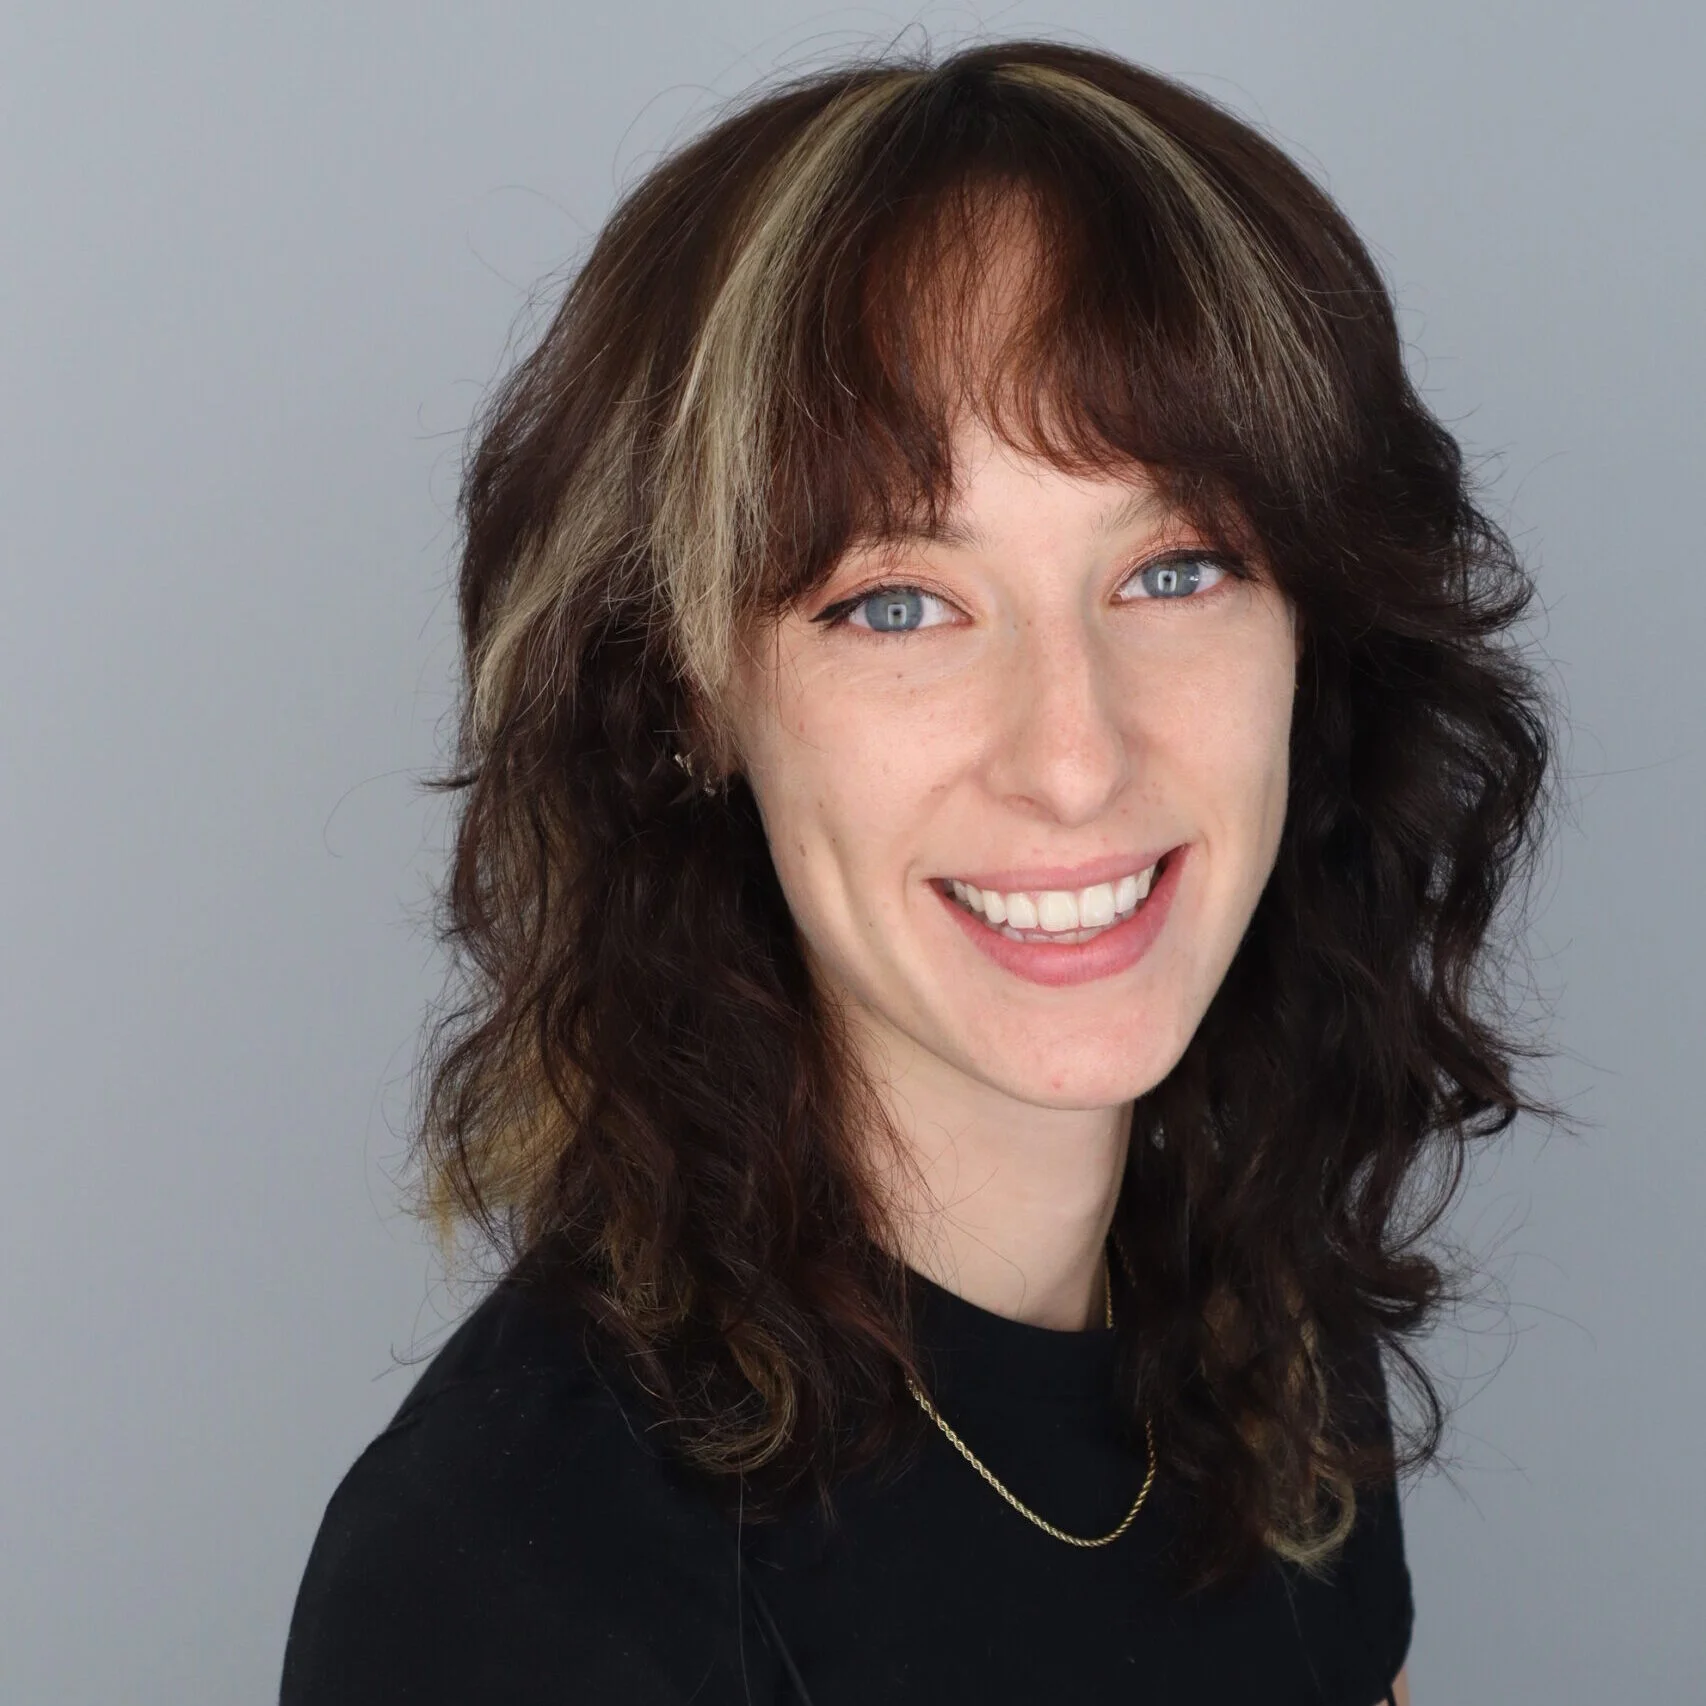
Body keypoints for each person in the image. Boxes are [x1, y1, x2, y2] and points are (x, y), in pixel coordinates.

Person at [280, 37, 1557, 1706]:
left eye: (1175, 568)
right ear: (685, 699)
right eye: (897, 603)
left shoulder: (1257, 1332)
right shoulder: (520, 1587)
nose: (1074, 754)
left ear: (1315, 636)